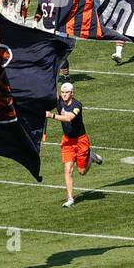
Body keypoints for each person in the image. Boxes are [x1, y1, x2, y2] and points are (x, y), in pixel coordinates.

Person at [47, 80, 101, 208]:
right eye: (63, 92)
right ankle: (70, 198)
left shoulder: (77, 105)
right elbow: (49, 91)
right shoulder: (59, 101)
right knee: (68, 169)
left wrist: (51, 115)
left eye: (67, 92)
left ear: (72, 93)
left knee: (82, 171)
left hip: (81, 140)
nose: (64, 94)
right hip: (67, 141)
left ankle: (91, 157)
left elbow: (69, 118)